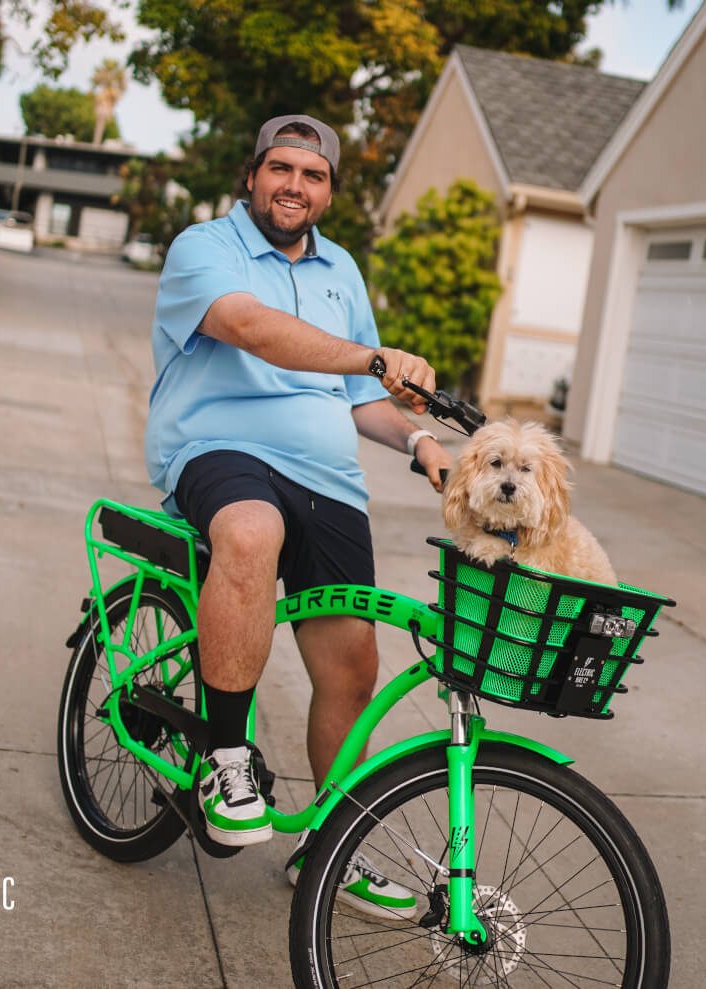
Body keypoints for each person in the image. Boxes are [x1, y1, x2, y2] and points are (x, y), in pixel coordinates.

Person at [144, 114, 451, 916]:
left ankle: (328, 847)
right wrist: (370, 356)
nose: (294, 185)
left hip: (328, 477)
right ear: (252, 176)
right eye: (280, 168)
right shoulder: (203, 247)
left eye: (312, 175)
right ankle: (227, 755)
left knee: (352, 666)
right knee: (250, 532)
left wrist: (421, 442)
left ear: (329, 192)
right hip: (220, 449)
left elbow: (361, 398)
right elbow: (251, 328)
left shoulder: (341, 268)